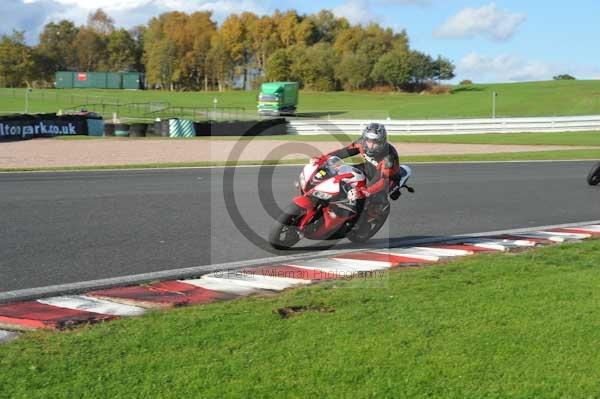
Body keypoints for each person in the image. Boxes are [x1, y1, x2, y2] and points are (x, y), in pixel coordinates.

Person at [312, 123, 406, 201]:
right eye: (369, 141)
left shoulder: (388, 157)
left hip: (388, 178)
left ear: (382, 142)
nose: (371, 145)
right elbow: (344, 152)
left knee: (375, 199)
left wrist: (363, 192)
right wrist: (322, 159)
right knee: (342, 171)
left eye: (375, 142)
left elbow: (383, 181)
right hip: (368, 168)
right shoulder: (361, 143)